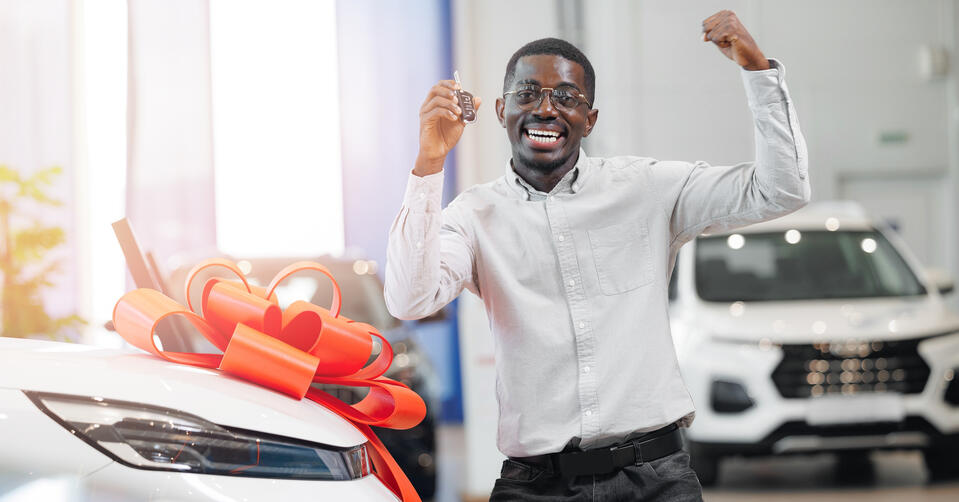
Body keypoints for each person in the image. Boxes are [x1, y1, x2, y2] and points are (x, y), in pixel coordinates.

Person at [385, 10, 809, 501]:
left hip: (656, 479)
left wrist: (758, 71)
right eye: (527, 93)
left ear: (590, 120)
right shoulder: (473, 216)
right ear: (501, 110)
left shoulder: (647, 189)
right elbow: (409, 299)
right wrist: (430, 162)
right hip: (537, 485)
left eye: (567, 97)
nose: (546, 109)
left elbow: (781, 190)